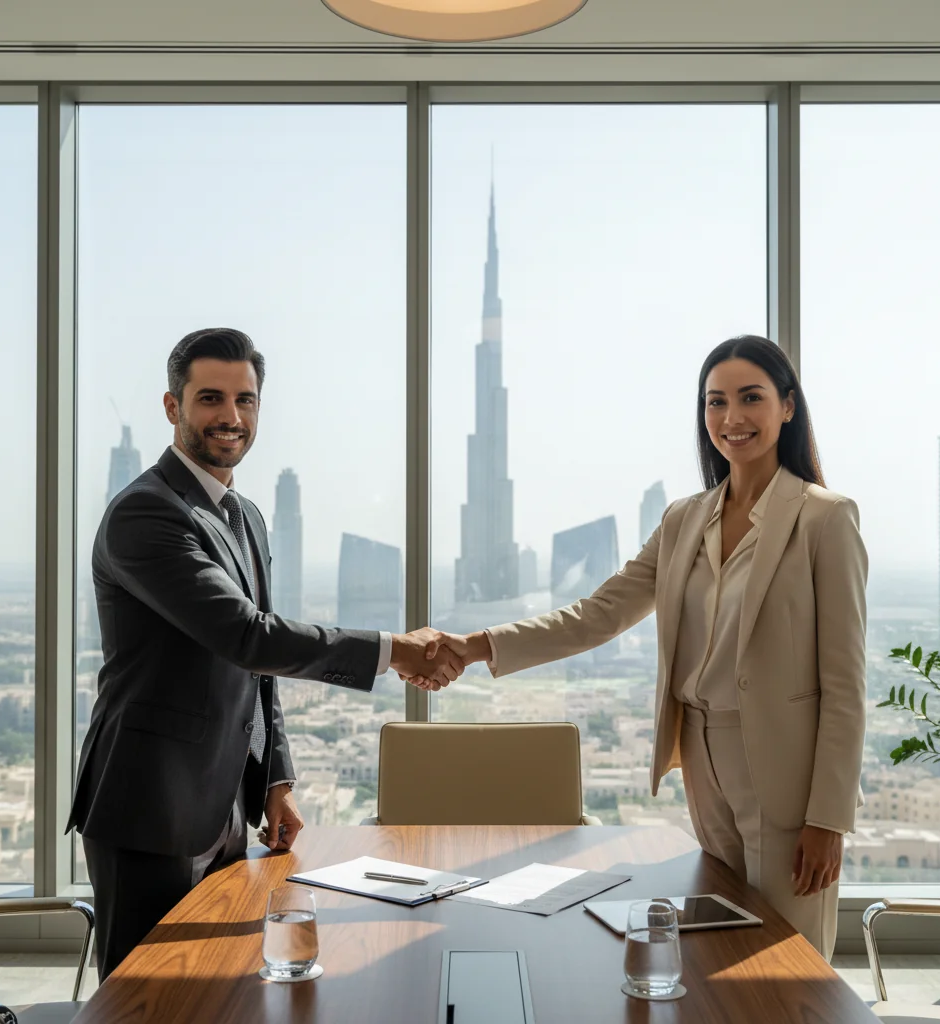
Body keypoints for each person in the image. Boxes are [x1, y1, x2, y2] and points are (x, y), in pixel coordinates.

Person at [412, 335, 867, 961]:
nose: (732, 418)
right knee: (719, 947)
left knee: (786, 963)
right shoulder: (685, 518)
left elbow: (844, 684)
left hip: (786, 771)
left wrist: (829, 818)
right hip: (703, 760)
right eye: (716, 402)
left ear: (787, 407)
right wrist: (475, 645)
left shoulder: (825, 518)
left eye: (751, 398)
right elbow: (598, 615)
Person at [68, 328, 461, 981]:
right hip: (148, 804)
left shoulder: (244, 515)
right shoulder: (145, 513)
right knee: (147, 998)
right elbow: (247, 635)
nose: (230, 417)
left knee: (222, 986)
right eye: (210, 399)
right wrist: (392, 651)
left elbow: (257, 667)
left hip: (222, 804)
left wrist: (275, 780)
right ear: (173, 407)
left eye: (245, 401)